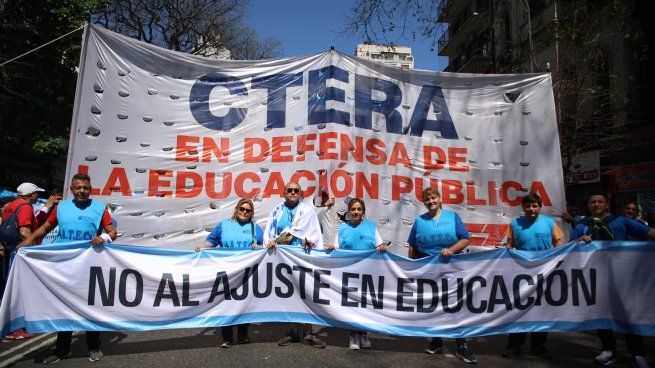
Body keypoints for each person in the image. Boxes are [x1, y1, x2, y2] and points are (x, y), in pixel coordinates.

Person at [18, 173, 117, 364]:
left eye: (85, 188)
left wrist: (103, 238)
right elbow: (45, 228)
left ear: (90, 190)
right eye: (78, 188)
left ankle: (94, 346)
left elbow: (112, 232)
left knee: (90, 307)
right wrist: (27, 243)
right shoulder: (61, 207)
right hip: (63, 266)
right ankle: (62, 350)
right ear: (72, 189)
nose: (82, 191)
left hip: (88, 266)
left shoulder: (99, 208)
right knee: (63, 307)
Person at [571, 192, 655, 367]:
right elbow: (570, 249)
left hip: (623, 278)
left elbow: (650, 233)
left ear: (607, 204)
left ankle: (637, 353)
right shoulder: (582, 226)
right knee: (600, 314)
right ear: (588, 206)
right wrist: (578, 241)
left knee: (629, 314)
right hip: (597, 279)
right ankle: (608, 350)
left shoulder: (622, 221)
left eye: (600, 202)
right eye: (592, 202)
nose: (596, 204)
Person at [407, 187, 476, 364]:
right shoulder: (419, 221)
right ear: (424, 202)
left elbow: (465, 238)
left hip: (451, 268)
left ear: (439, 198)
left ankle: (462, 346)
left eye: (433, 198)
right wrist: (410, 267)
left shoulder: (453, 217)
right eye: (427, 199)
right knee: (433, 305)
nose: (431, 201)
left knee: (455, 306)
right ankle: (436, 340)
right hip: (428, 270)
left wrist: (451, 250)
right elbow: (412, 246)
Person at [501, 193, 564, 359]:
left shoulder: (549, 223)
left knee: (542, 311)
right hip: (522, 275)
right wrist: (508, 250)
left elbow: (559, 244)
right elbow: (509, 245)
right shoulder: (515, 224)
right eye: (528, 206)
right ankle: (514, 346)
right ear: (523, 207)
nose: (531, 209)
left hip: (545, 273)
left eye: (534, 206)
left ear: (540, 207)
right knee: (519, 310)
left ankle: (538, 346)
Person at [263, 182, 326, 348]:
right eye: (289, 190)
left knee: (306, 294)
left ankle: (309, 332)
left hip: (302, 258)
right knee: (289, 295)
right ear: (284, 193)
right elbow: (269, 233)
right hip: (282, 260)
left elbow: (315, 235)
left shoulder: (308, 212)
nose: (292, 192)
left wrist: (311, 241)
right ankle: (292, 331)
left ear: (301, 194)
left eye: (296, 191)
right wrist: (269, 243)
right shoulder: (277, 211)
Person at [195, 198, 263, 348]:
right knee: (226, 303)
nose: (244, 212)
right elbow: (211, 241)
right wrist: (202, 248)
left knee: (244, 303)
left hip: (247, 273)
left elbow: (263, 247)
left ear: (251, 213)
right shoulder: (223, 225)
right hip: (225, 272)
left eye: (248, 210)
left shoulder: (255, 228)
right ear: (236, 209)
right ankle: (227, 338)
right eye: (242, 209)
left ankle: (243, 335)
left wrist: (257, 245)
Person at [326, 198, 387, 350]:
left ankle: (363, 334)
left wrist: (381, 248)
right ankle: (353, 335)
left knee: (365, 305)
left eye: (359, 209)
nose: (356, 212)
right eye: (353, 209)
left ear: (363, 212)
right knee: (353, 305)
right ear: (348, 212)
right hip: (350, 274)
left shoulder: (371, 227)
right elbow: (336, 248)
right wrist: (331, 247)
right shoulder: (343, 228)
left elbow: (379, 245)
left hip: (368, 273)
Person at [0, 182, 45, 342]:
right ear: (29, 194)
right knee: (17, 288)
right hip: (19, 252)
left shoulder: (11, 205)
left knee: (8, 286)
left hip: (8, 250)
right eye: (36, 193)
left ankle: (7, 326)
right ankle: (14, 328)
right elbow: (25, 232)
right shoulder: (25, 207)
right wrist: (34, 251)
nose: (37, 196)